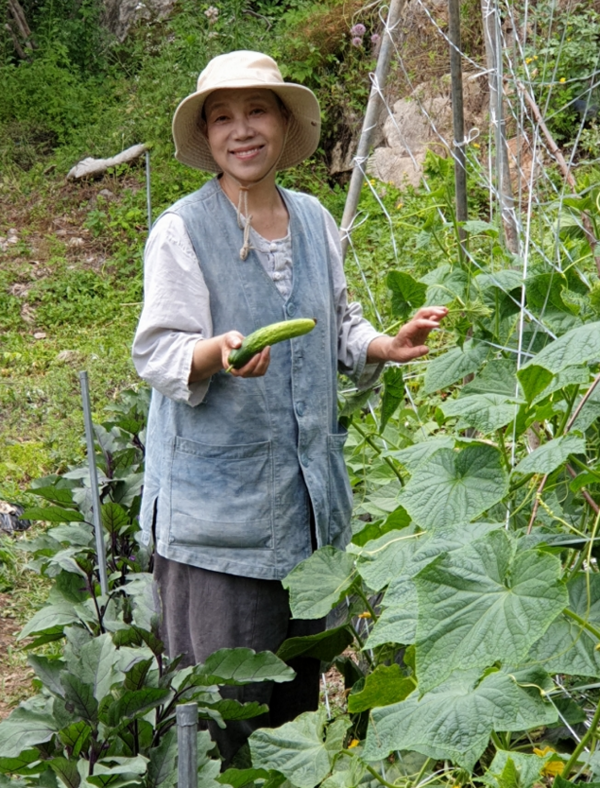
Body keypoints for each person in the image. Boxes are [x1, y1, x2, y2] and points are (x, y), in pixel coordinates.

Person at [132, 50, 447, 764]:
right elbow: (155, 353)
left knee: (294, 715)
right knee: (223, 719)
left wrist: (383, 347)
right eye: (222, 118)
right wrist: (217, 354)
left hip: (306, 515)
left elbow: (338, 322)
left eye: (256, 112)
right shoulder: (182, 231)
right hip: (219, 530)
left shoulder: (312, 218)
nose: (241, 131)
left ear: (282, 124)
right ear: (207, 136)